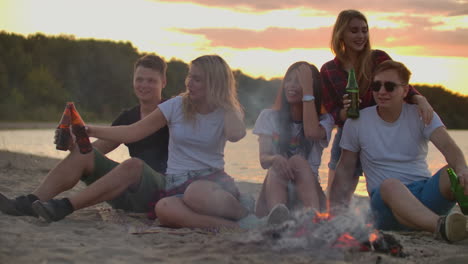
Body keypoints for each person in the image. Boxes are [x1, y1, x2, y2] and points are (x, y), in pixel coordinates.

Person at [70, 54, 249, 229]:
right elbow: (133, 131)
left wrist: (226, 104)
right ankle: (236, 226)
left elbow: (236, 134)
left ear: (214, 83)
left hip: (212, 182)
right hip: (176, 183)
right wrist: (90, 130)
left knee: (196, 193)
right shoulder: (177, 104)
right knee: (163, 208)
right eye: (189, 76)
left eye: (197, 79)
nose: (189, 83)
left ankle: (245, 213)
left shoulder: (226, 111)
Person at [0, 54, 170, 221]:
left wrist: (86, 130)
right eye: (139, 79)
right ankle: (30, 202)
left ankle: (64, 206)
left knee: (134, 165)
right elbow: (92, 151)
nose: (144, 85)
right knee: (84, 152)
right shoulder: (128, 117)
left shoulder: (173, 112)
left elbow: (133, 132)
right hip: (126, 194)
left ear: (163, 82)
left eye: (151, 80)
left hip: (160, 195)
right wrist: (73, 144)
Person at [328, 60, 468, 243]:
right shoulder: (357, 122)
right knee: (390, 185)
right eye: (376, 86)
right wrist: (334, 213)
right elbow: (345, 168)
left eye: (390, 86)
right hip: (385, 203)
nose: (382, 92)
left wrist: (462, 170)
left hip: (424, 194)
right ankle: (440, 227)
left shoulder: (421, 113)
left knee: (454, 172)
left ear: (405, 90)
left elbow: (449, 147)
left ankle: (431, 221)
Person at [320, 9, 434, 195]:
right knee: (336, 198)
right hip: (351, 130)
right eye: (354, 30)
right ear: (341, 33)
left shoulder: (378, 58)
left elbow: (400, 85)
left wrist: (420, 99)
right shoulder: (328, 70)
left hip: (380, 130)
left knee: (391, 185)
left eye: (364, 30)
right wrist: (345, 112)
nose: (361, 35)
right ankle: (334, 219)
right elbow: (332, 112)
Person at [253, 62, 334, 223]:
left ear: (312, 88)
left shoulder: (325, 120)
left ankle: (312, 217)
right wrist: (274, 159)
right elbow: (264, 160)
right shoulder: (269, 116)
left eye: (299, 81)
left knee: (297, 161)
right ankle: (278, 217)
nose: (291, 85)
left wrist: (308, 92)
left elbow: (311, 133)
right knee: (277, 162)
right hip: (275, 190)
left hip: (308, 191)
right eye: (288, 80)